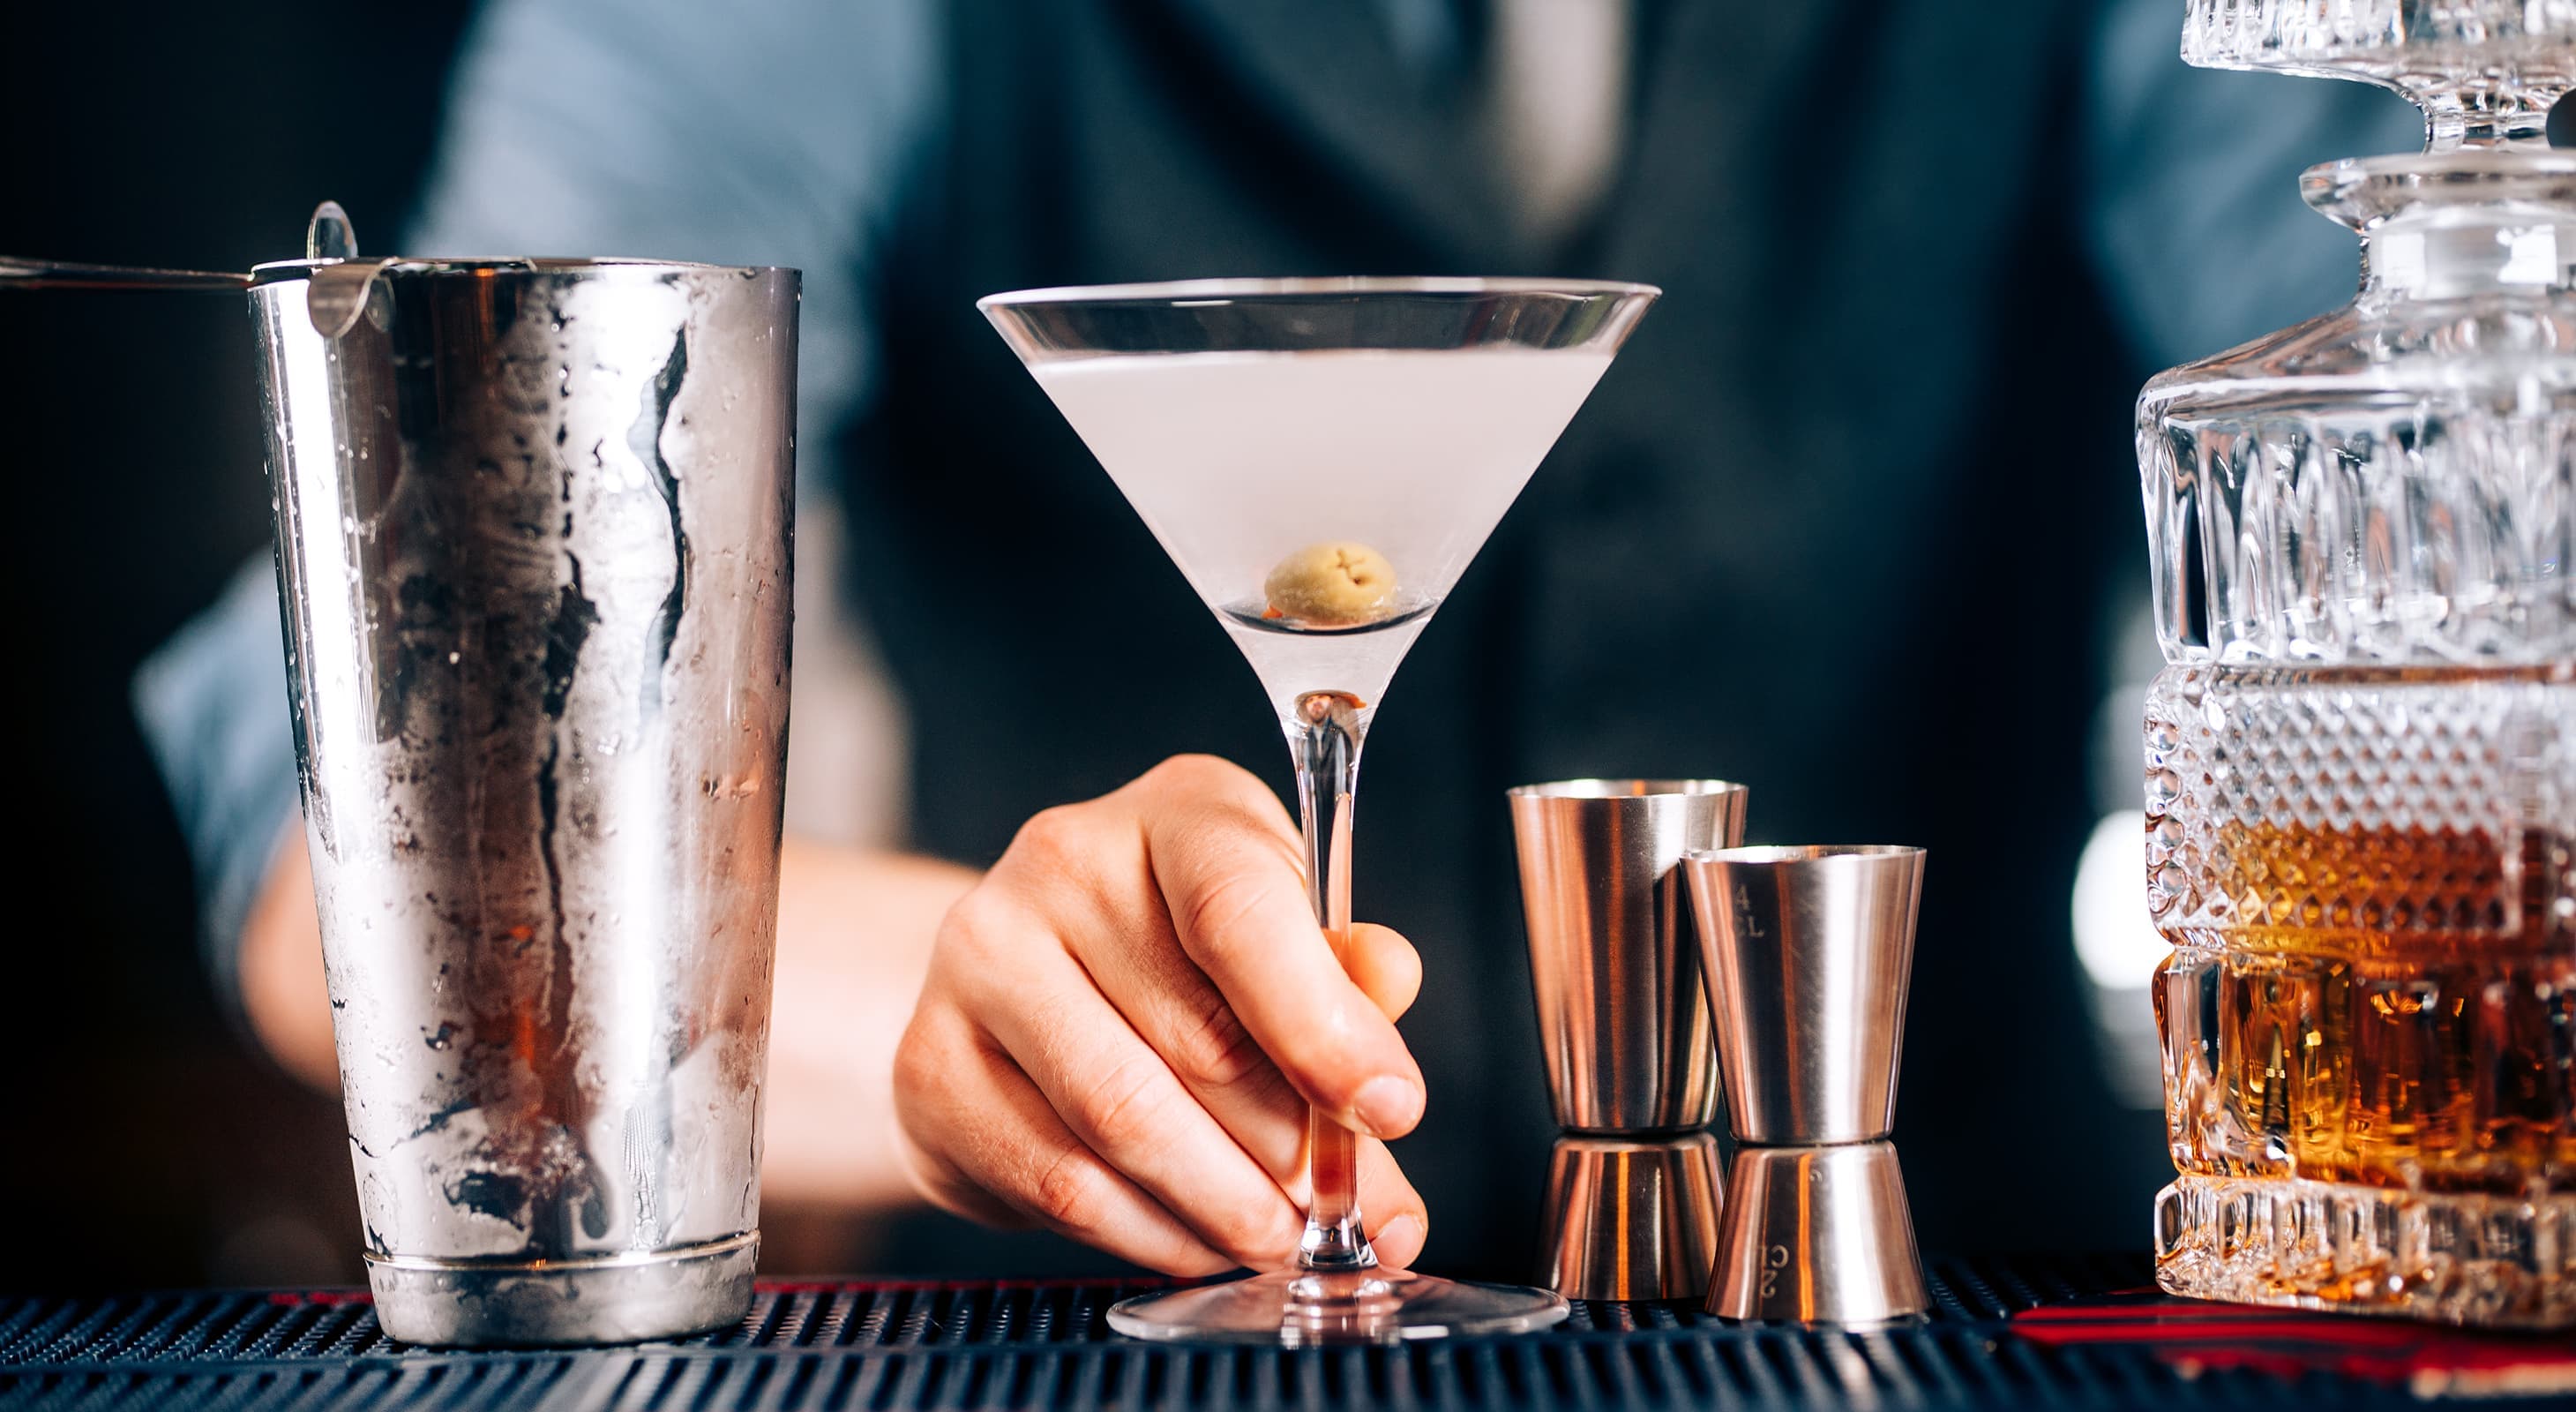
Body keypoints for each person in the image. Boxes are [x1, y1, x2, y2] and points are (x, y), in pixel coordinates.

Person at [138, 0, 2417, 1278]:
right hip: (1072, 1350)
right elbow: (378, 835)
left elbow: (2430, 518)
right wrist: (964, 1007)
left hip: (1951, 1333)